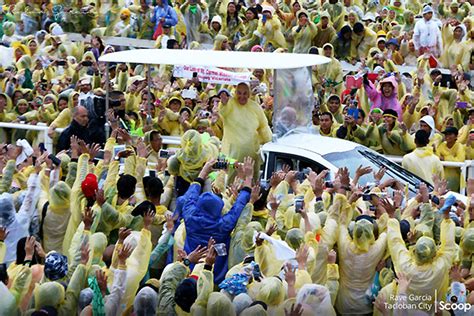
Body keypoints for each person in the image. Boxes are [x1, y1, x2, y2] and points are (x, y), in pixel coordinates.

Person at [219, 82, 272, 179]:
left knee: (251, 181)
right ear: (235, 93)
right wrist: (223, 103)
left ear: (248, 94)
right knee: (233, 182)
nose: (242, 96)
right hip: (232, 154)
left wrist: (269, 141)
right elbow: (223, 111)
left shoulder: (255, 107)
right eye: (239, 93)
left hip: (252, 153)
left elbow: (263, 126)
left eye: (244, 93)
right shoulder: (230, 104)